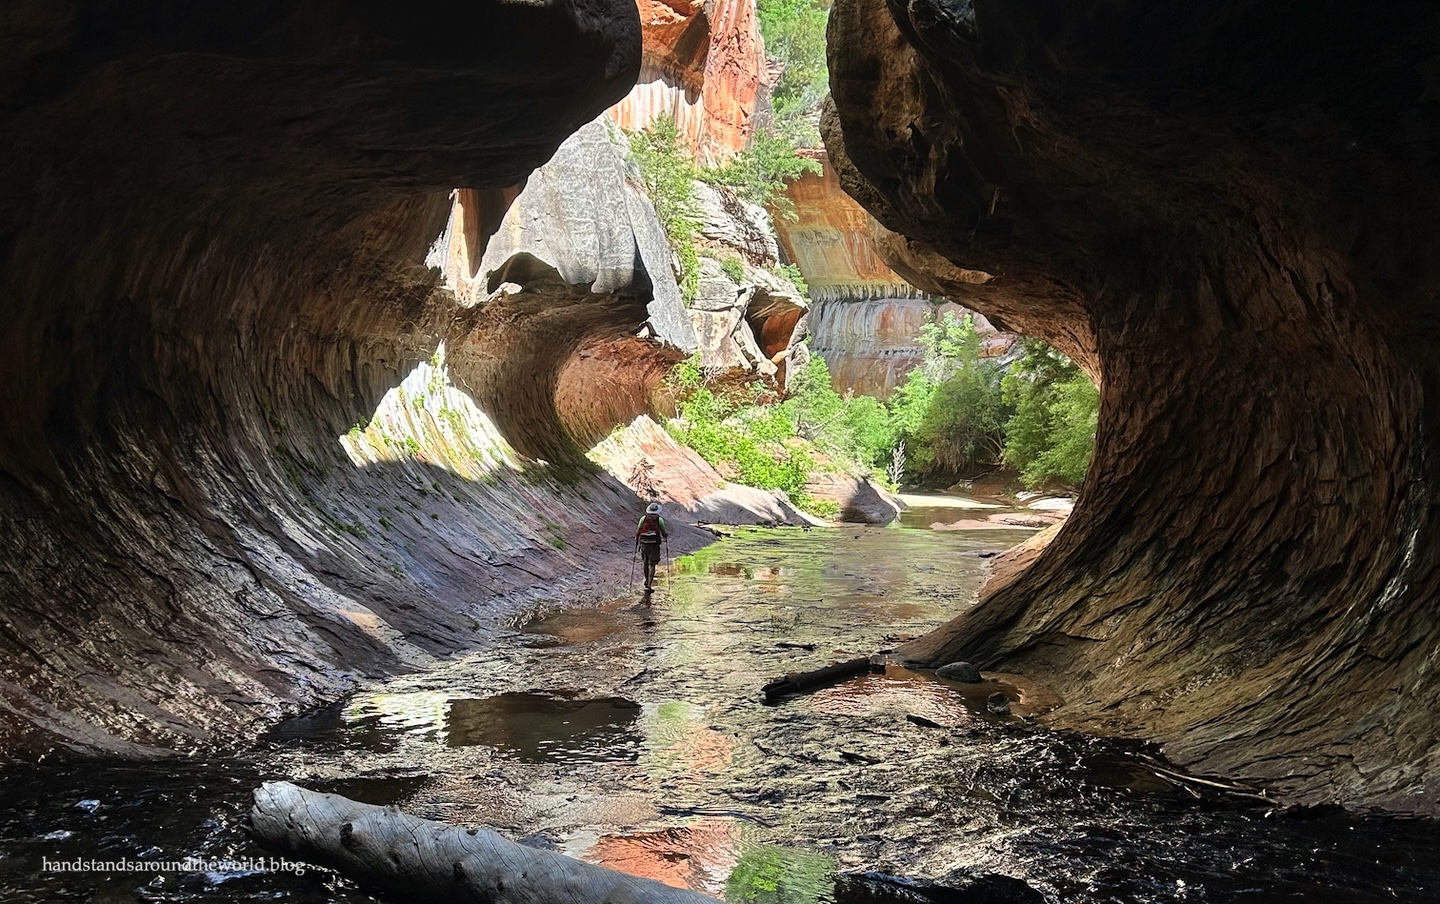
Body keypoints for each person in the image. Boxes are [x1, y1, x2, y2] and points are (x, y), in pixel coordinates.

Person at [635, 502, 668, 591]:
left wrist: (637, 541)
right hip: (654, 544)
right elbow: (663, 533)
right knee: (652, 564)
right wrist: (666, 535)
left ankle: (646, 580)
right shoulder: (659, 520)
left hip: (644, 543)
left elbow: (638, 531)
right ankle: (649, 584)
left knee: (645, 563)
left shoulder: (643, 518)